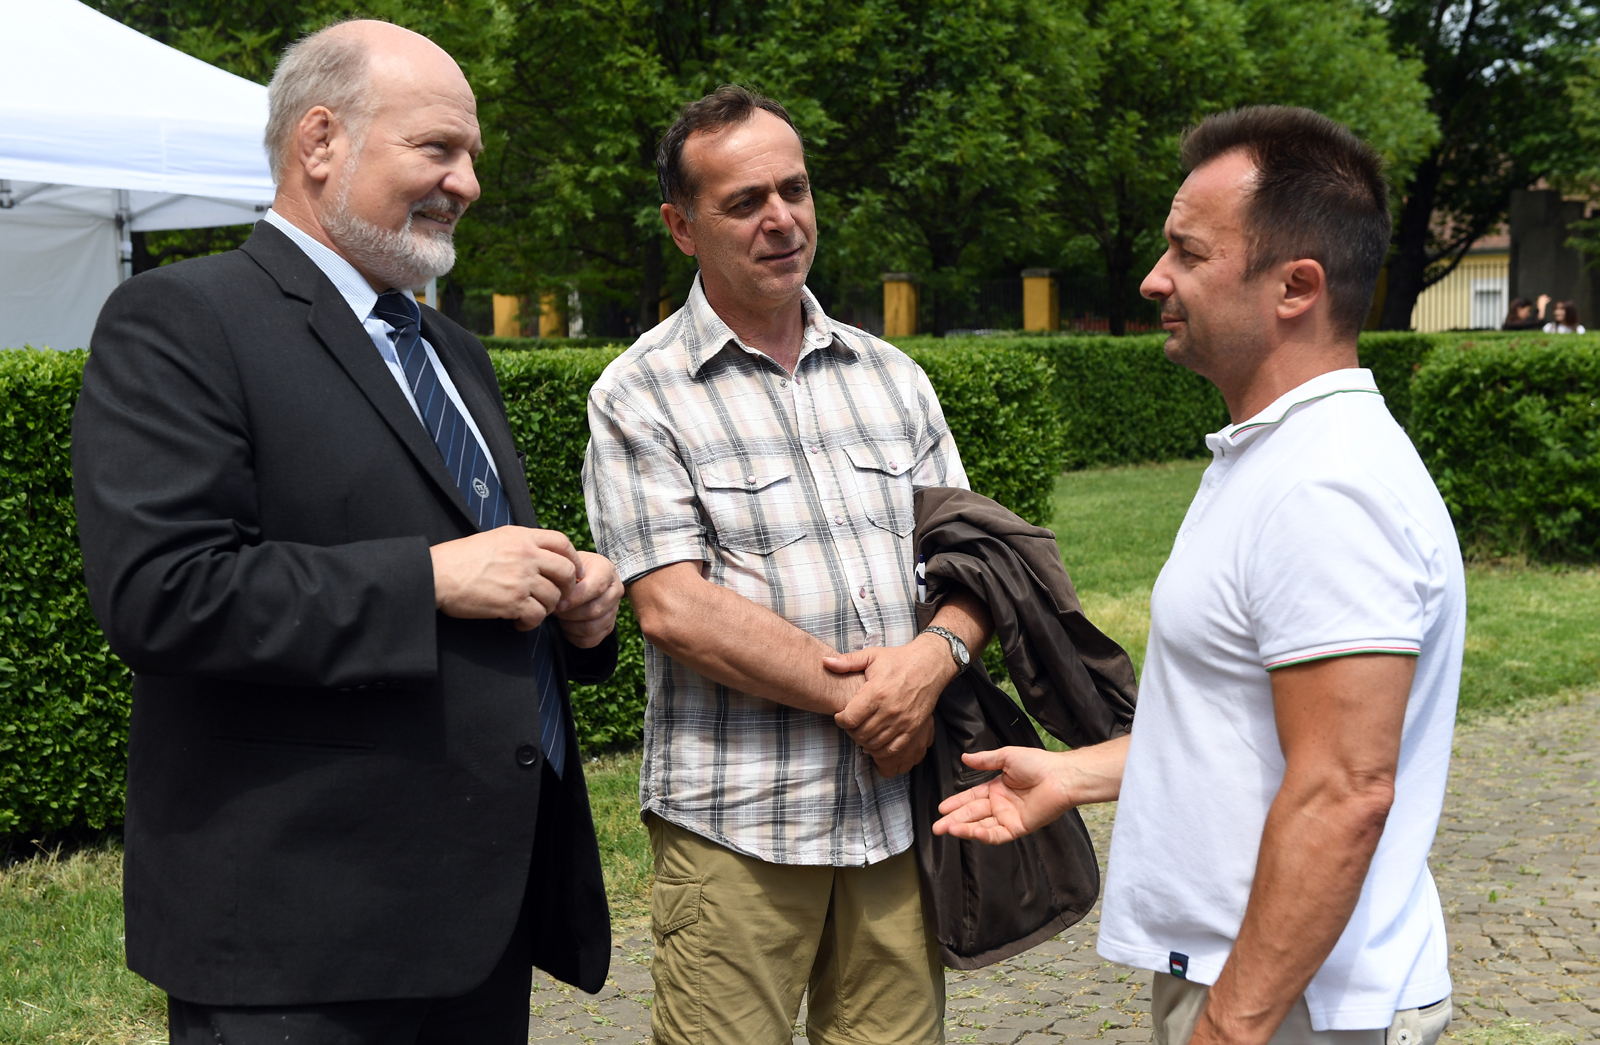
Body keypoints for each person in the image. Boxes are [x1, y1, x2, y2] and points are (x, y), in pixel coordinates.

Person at [71, 21, 623, 1045]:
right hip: (304, 941)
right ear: (319, 140)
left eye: (473, 156)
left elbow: (473, 564)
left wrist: (570, 609)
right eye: (438, 148)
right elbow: (164, 592)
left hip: (477, 923)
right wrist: (430, 580)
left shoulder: (451, 350)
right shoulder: (181, 318)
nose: (467, 183)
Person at [935, 106, 1465, 1045]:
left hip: (1294, 1006)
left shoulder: (1326, 486)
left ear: (1296, 286)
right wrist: (1074, 773)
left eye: (1188, 252)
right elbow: (1251, 733)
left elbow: (1343, 789)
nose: (1155, 277)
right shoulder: (1276, 456)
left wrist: (1228, 1027)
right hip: (1266, 991)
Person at [582, 85, 992, 1045]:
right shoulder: (640, 394)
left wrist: (932, 661)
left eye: (794, 190)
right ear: (681, 227)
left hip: (894, 820)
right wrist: (875, 698)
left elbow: (975, 565)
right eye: (745, 202)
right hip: (738, 827)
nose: (781, 219)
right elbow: (674, 608)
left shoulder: (892, 376)